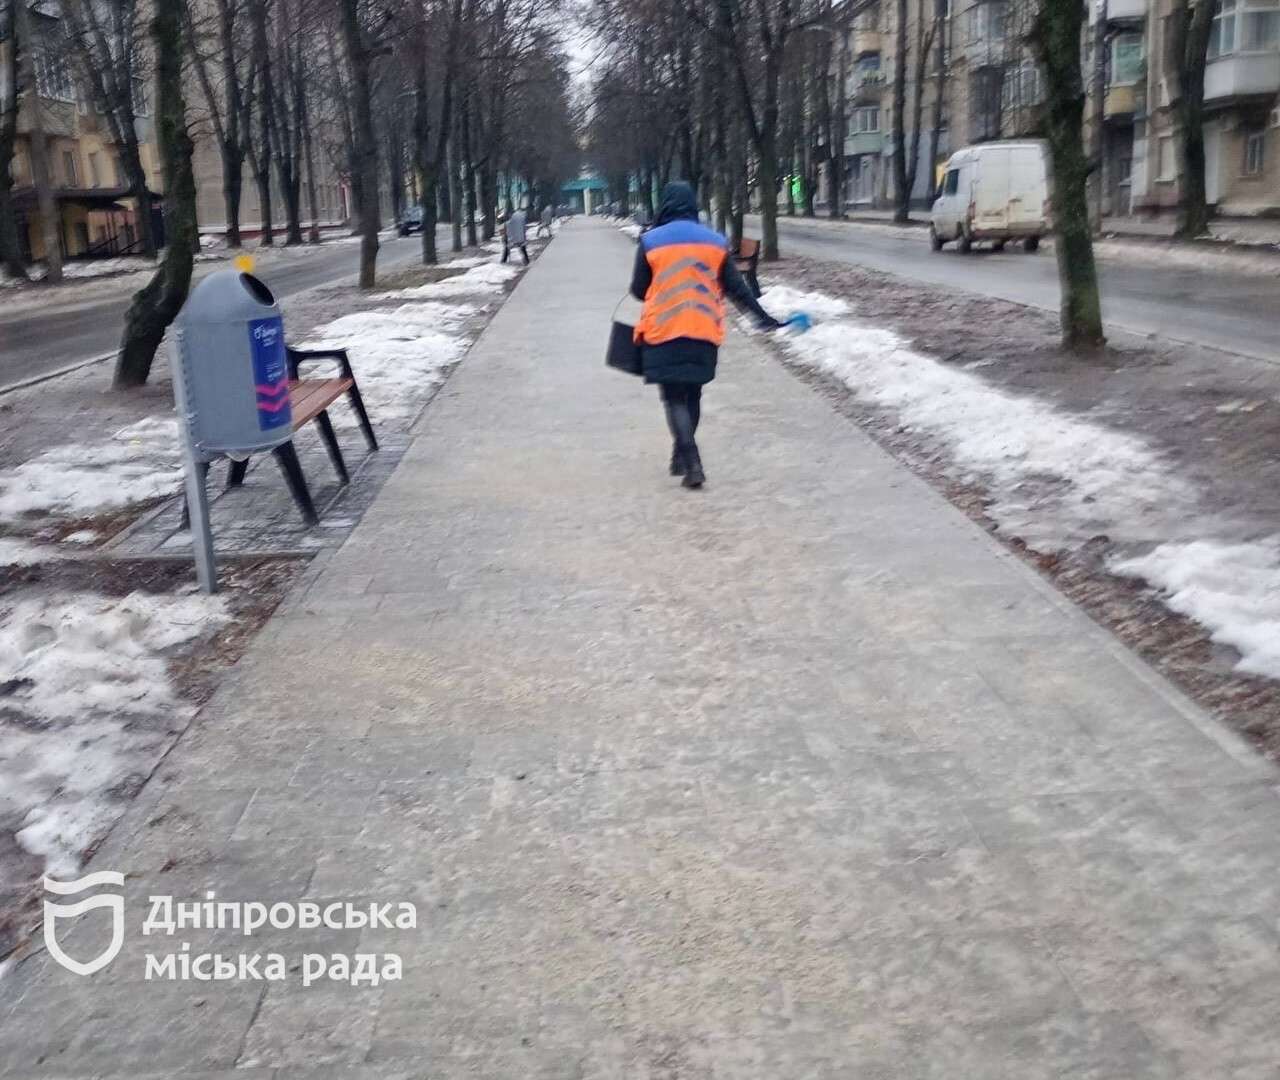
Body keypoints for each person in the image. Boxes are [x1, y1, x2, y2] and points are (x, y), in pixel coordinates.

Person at [629, 181, 782, 489]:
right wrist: (763, 319)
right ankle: (681, 454)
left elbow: (637, 290)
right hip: (703, 328)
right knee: (693, 394)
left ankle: (692, 460)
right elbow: (736, 288)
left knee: (673, 398)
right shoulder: (715, 242)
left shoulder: (650, 242)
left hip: (663, 330)